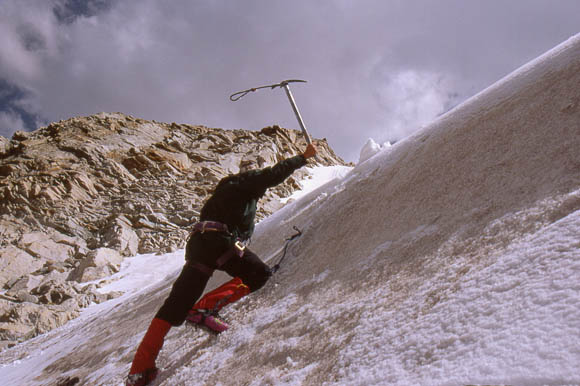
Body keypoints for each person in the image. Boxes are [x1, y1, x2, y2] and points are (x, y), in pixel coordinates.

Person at [126, 144, 317, 386]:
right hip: (221, 243)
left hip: (200, 245)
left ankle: (139, 370)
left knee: (175, 304)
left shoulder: (222, 194)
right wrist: (303, 157)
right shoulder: (246, 182)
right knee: (258, 274)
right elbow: (272, 176)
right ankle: (203, 309)